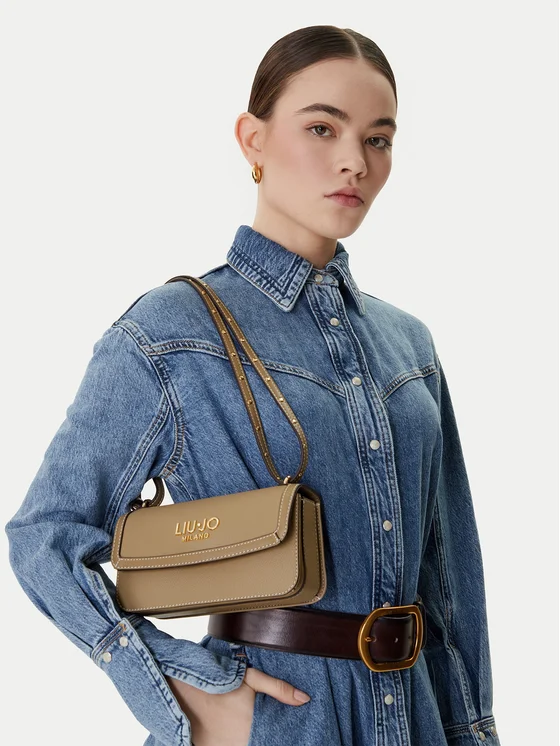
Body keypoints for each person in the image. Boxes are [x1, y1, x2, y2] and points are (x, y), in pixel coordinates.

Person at [5, 24, 500, 746]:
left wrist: (475, 733)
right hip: (276, 718)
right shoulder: (171, 332)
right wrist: (177, 685)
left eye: (378, 139)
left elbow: (448, 584)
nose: (354, 161)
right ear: (253, 140)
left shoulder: (409, 344)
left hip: (417, 717)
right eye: (322, 128)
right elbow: (44, 536)